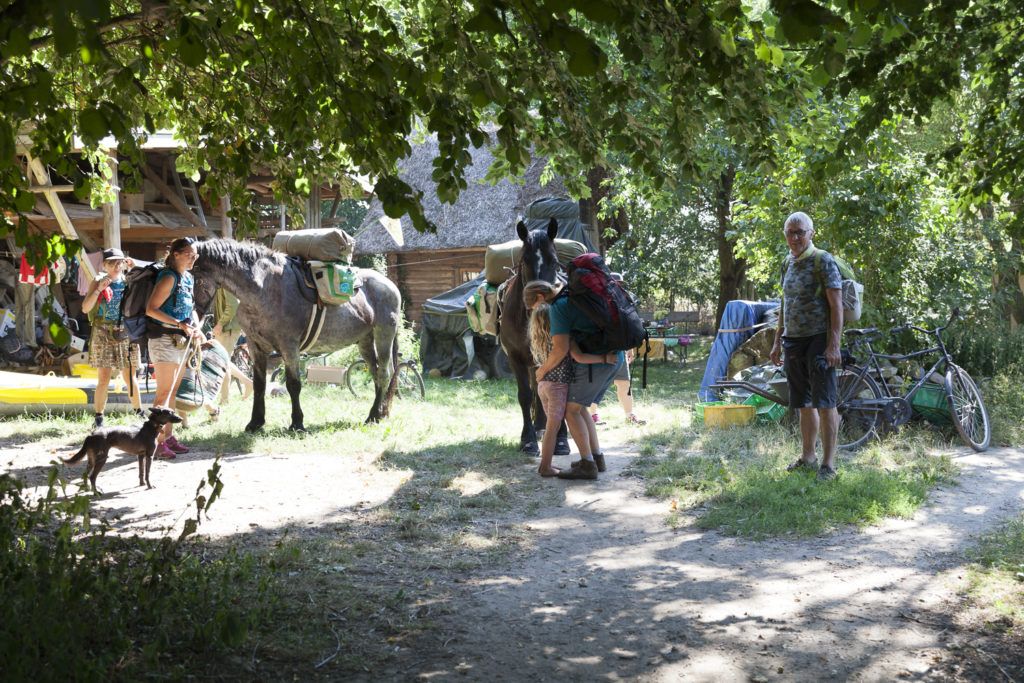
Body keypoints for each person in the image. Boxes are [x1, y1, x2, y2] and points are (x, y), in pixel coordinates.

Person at [769, 211, 844, 481]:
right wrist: (778, 340)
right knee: (803, 403)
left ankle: (828, 465)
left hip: (819, 339)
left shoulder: (823, 261)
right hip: (793, 340)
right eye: (790, 232)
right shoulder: (786, 263)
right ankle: (808, 456)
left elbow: (836, 306)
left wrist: (833, 344)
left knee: (825, 402)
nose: (795, 237)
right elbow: (784, 304)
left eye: (800, 232)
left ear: (811, 233)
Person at [525, 279, 625, 481]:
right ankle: (590, 460)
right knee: (572, 412)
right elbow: (571, 353)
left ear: (539, 297)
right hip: (566, 379)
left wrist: (541, 372)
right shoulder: (569, 300)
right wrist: (604, 358)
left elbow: (559, 350)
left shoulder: (557, 309)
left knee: (573, 411)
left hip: (547, 383)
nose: (535, 310)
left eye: (533, 306)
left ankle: (589, 462)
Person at [145, 237, 202, 459]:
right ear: (175, 254)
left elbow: (192, 308)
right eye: (188, 254)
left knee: (172, 392)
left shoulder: (188, 278)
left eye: (194, 255)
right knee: (163, 393)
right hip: (164, 340)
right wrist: (179, 324)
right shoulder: (168, 277)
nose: (192, 258)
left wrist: (196, 327)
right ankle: (155, 442)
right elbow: (151, 309)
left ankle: (167, 437)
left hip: (181, 340)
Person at [80, 248, 143, 427]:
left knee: (129, 376)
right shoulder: (99, 281)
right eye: (112, 262)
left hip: (125, 333)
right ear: (105, 265)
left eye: (119, 262)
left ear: (124, 263)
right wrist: (98, 290)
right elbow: (85, 308)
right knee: (104, 377)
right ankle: (99, 417)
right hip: (102, 332)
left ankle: (139, 413)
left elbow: (147, 283)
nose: (116, 265)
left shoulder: (130, 281)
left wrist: (136, 268)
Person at [211, 287, 252, 404]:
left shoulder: (225, 283)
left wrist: (220, 323)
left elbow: (234, 305)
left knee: (222, 363)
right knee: (224, 362)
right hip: (227, 328)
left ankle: (224, 400)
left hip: (228, 329)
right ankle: (248, 383)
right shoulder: (220, 283)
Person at [589, 348, 646, 426]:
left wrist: (630, 348)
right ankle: (593, 415)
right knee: (598, 383)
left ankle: (629, 415)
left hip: (620, 350)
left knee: (624, 383)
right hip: (600, 348)